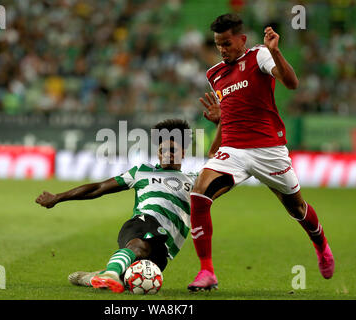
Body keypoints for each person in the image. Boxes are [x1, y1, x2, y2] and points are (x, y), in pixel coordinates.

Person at [187, 13, 335, 292]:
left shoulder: (260, 56)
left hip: (269, 150)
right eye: (218, 44)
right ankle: (206, 271)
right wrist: (216, 139)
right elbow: (229, 112)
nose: (222, 49)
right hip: (234, 149)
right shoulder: (214, 74)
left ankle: (321, 245)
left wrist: (276, 52)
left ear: (241, 40)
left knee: (297, 208)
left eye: (227, 43)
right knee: (198, 194)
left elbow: (291, 83)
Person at [35, 119, 217, 293]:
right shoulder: (142, 172)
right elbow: (99, 188)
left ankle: (92, 278)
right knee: (139, 246)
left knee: (132, 279)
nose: (167, 154)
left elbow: (220, 163)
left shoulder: (195, 180)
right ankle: (110, 273)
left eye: (172, 150)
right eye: (162, 150)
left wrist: (220, 125)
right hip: (142, 223)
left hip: (164, 245)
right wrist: (58, 197)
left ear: (183, 153)